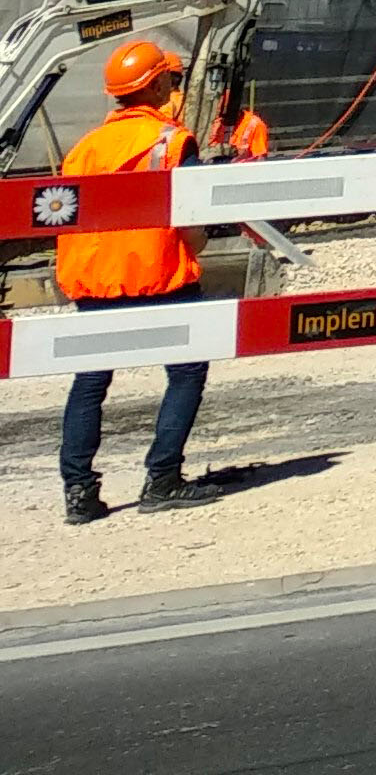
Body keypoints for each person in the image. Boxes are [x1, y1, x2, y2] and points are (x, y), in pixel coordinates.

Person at [51, 38, 241, 522]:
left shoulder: (85, 147)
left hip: (95, 281)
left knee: (90, 381)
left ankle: (79, 493)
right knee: (186, 371)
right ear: (157, 83)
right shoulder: (172, 140)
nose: (174, 88)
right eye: (171, 80)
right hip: (158, 275)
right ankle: (162, 478)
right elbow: (197, 205)